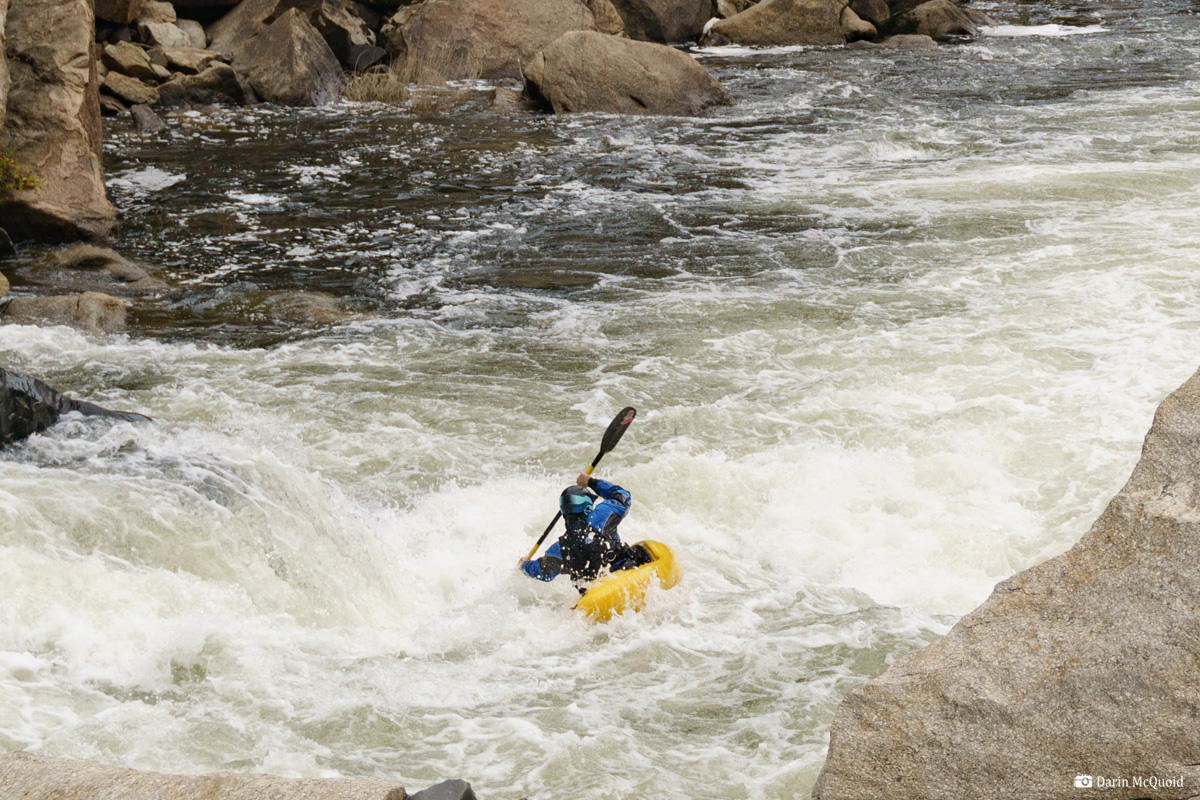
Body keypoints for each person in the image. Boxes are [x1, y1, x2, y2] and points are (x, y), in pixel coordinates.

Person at [519, 471, 651, 592]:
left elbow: (539, 572)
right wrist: (590, 482)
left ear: (565, 513)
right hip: (627, 572)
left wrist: (524, 564)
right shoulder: (602, 514)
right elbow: (623, 496)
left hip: (597, 593)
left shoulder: (560, 548)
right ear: (588, 507)